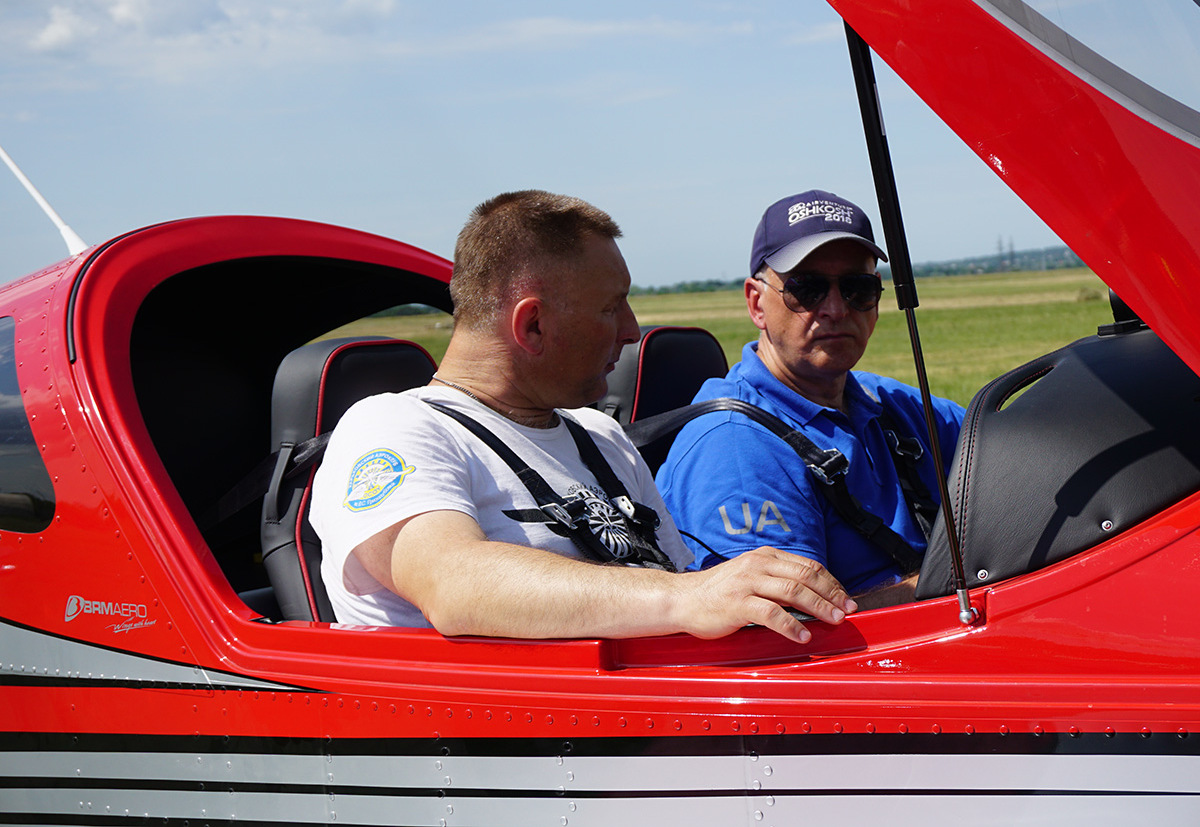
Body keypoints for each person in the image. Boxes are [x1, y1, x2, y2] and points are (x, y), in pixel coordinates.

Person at [309, 190, 856, 642]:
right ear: (532, 325)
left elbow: (682, 584)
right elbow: (453, 584)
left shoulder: (600, 435)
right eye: (610, 307)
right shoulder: (393, 428)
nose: (631, 330)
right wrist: (686, 597)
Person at [656, 190, 965, 608]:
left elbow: (1002, 447)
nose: (836, 309)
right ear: (756, 304)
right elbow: (790, 630)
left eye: (857, 289)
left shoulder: (886, 402)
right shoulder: (735, 447)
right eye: (807, 289)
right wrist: (956, 582)